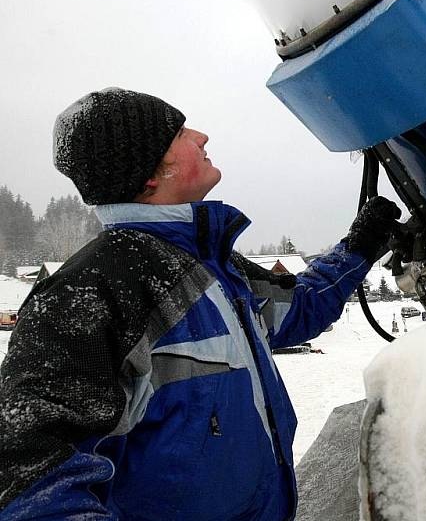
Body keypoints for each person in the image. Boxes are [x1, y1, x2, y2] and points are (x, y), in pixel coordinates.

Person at [0, 87, 401, 520]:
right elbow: (30, 482)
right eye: (179, 133)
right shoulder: (88, 293)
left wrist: (359, 246)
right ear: (150, 175)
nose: (201, 136)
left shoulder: (212, 266)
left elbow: (298, 309)